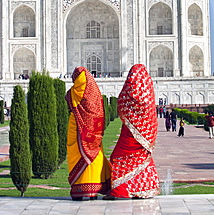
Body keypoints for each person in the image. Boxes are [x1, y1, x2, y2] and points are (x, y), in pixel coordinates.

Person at [105, 64, 160, 199]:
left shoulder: (131, 90)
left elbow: (122, 102)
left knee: (118, 158)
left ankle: (121, 190)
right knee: (141, 158)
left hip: (131, 133)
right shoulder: (148, 89)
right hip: (146, 133)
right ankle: (144, 187)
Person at [65, 66, 111, 200]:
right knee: (95, 159)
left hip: (76, 129)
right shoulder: (94, 92)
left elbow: (69, 105)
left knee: (76, 156)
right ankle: (93, 191)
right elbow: (99, 113)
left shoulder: (72, 93)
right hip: (93, 135)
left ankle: (79, 190)